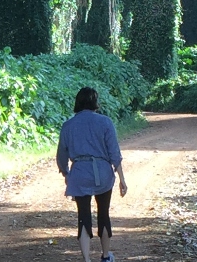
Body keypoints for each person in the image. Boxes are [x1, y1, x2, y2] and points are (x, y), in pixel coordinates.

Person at [57, 87, 127, 262]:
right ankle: (105, 256)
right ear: (95, 102)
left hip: (80, 172)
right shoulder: (105, 122)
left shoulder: (68, 125)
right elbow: (114, 154)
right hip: (102, 172)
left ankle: (87, 259)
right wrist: (122, 180)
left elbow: (61, 156)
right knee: (103, 213)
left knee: (83, 216)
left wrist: (67, 173)